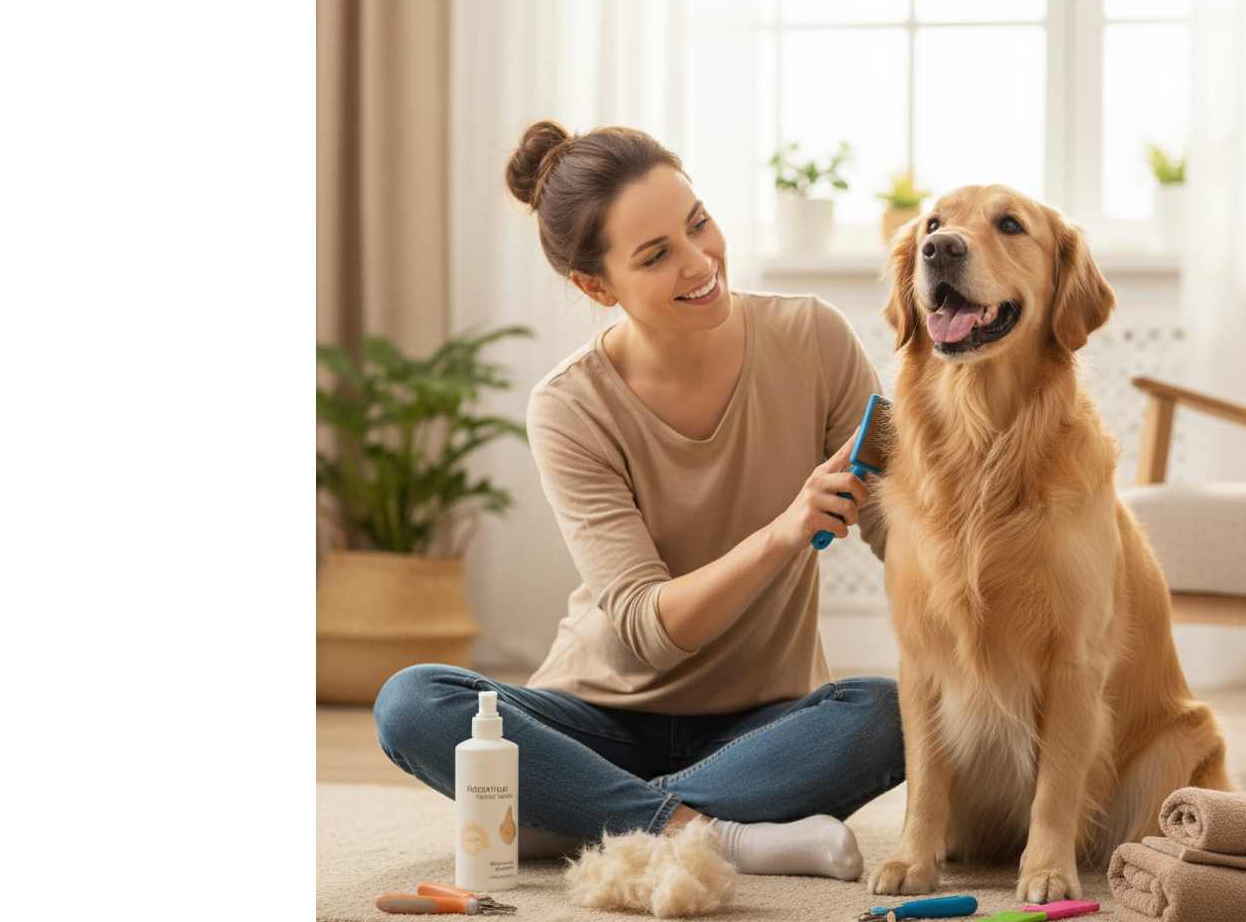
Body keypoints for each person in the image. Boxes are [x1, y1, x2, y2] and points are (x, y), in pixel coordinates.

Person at [374, 121, 905, 881]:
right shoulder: (567, 405)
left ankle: (581, 817)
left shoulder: (815, 335)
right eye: (656, 256)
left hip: (762, 725)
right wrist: (783, 532)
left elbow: (897, 515)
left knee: (889, 711)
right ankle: (715, 833)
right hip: (596, 718)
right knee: (411, 700)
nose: (700, 263)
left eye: (698, 224)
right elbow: (645, 635)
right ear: (597, 286)